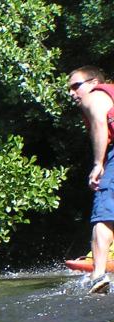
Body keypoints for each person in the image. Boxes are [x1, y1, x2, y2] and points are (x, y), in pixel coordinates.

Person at [67, 66, 114, 293]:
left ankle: (98, 275)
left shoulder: (94, 96)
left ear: (94, 82)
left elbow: (99, 125)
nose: (72, 93)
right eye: (69, 90)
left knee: (104, 213)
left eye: (76, 86)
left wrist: (98, 163)